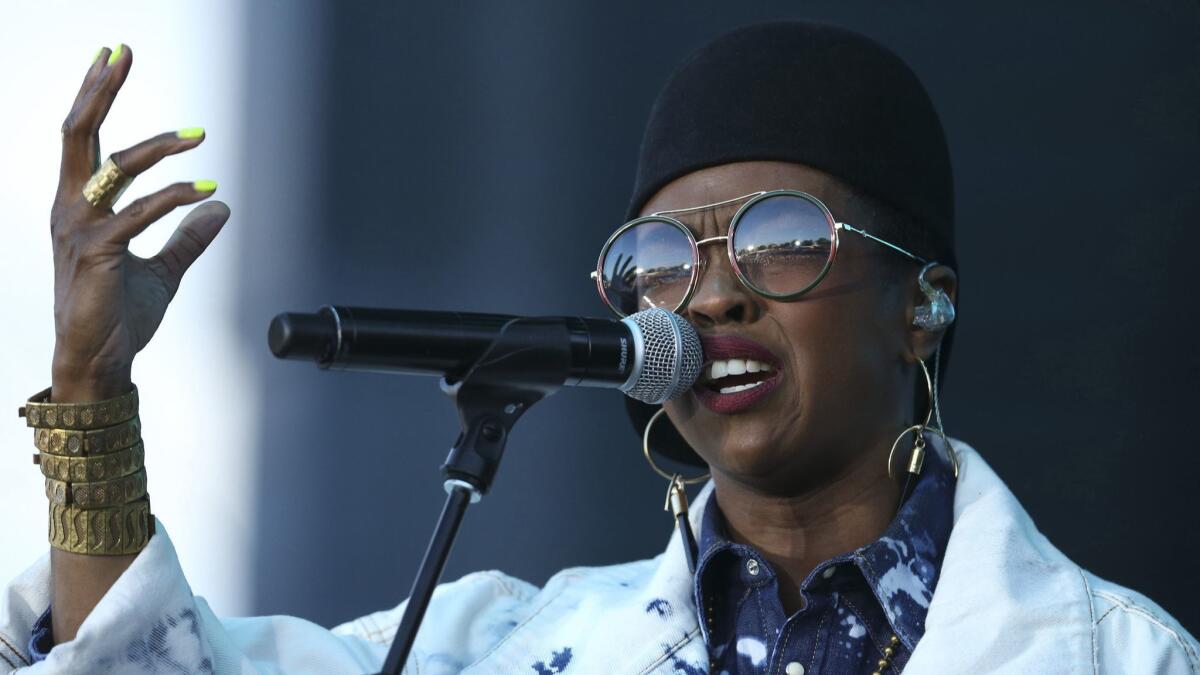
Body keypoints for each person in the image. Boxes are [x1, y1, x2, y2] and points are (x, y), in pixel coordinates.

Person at [2, 20, 1196, 675]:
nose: (714, 297)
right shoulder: (497, 648)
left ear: (921, 302)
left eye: (783, 240)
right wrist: (93, 393)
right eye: (660, 260)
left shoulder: (1122, 659)